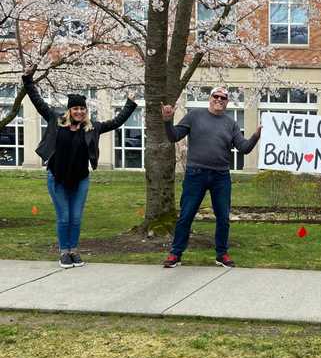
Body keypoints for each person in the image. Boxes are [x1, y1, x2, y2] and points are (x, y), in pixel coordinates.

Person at [22, 68, 137, 269]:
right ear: (69, 110)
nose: (79, 112)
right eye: (75, 109)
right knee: (64, 217)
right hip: (56, 177)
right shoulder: (55, 120)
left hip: (81, 179)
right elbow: (36, 100)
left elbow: (117, 122)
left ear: (86, 110)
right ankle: (64, 252)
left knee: (75, 218)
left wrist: (130, 103)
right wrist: (27, 79)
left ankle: (74, 250)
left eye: (82, 109)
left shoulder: (92, 128)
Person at [161, 87, 261, 268]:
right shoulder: (194, 116)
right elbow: (174, 136)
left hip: (220, 176)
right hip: (195, 174)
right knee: (186, 215)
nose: (219, 100)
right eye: (216, 96)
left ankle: (221, 254)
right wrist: (167, 121)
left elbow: (244, 148)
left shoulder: (231, 123)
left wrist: (255, 136)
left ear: (227, 102)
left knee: (223, 217)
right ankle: (175, 254)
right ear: (210, 98)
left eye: (223, 98)